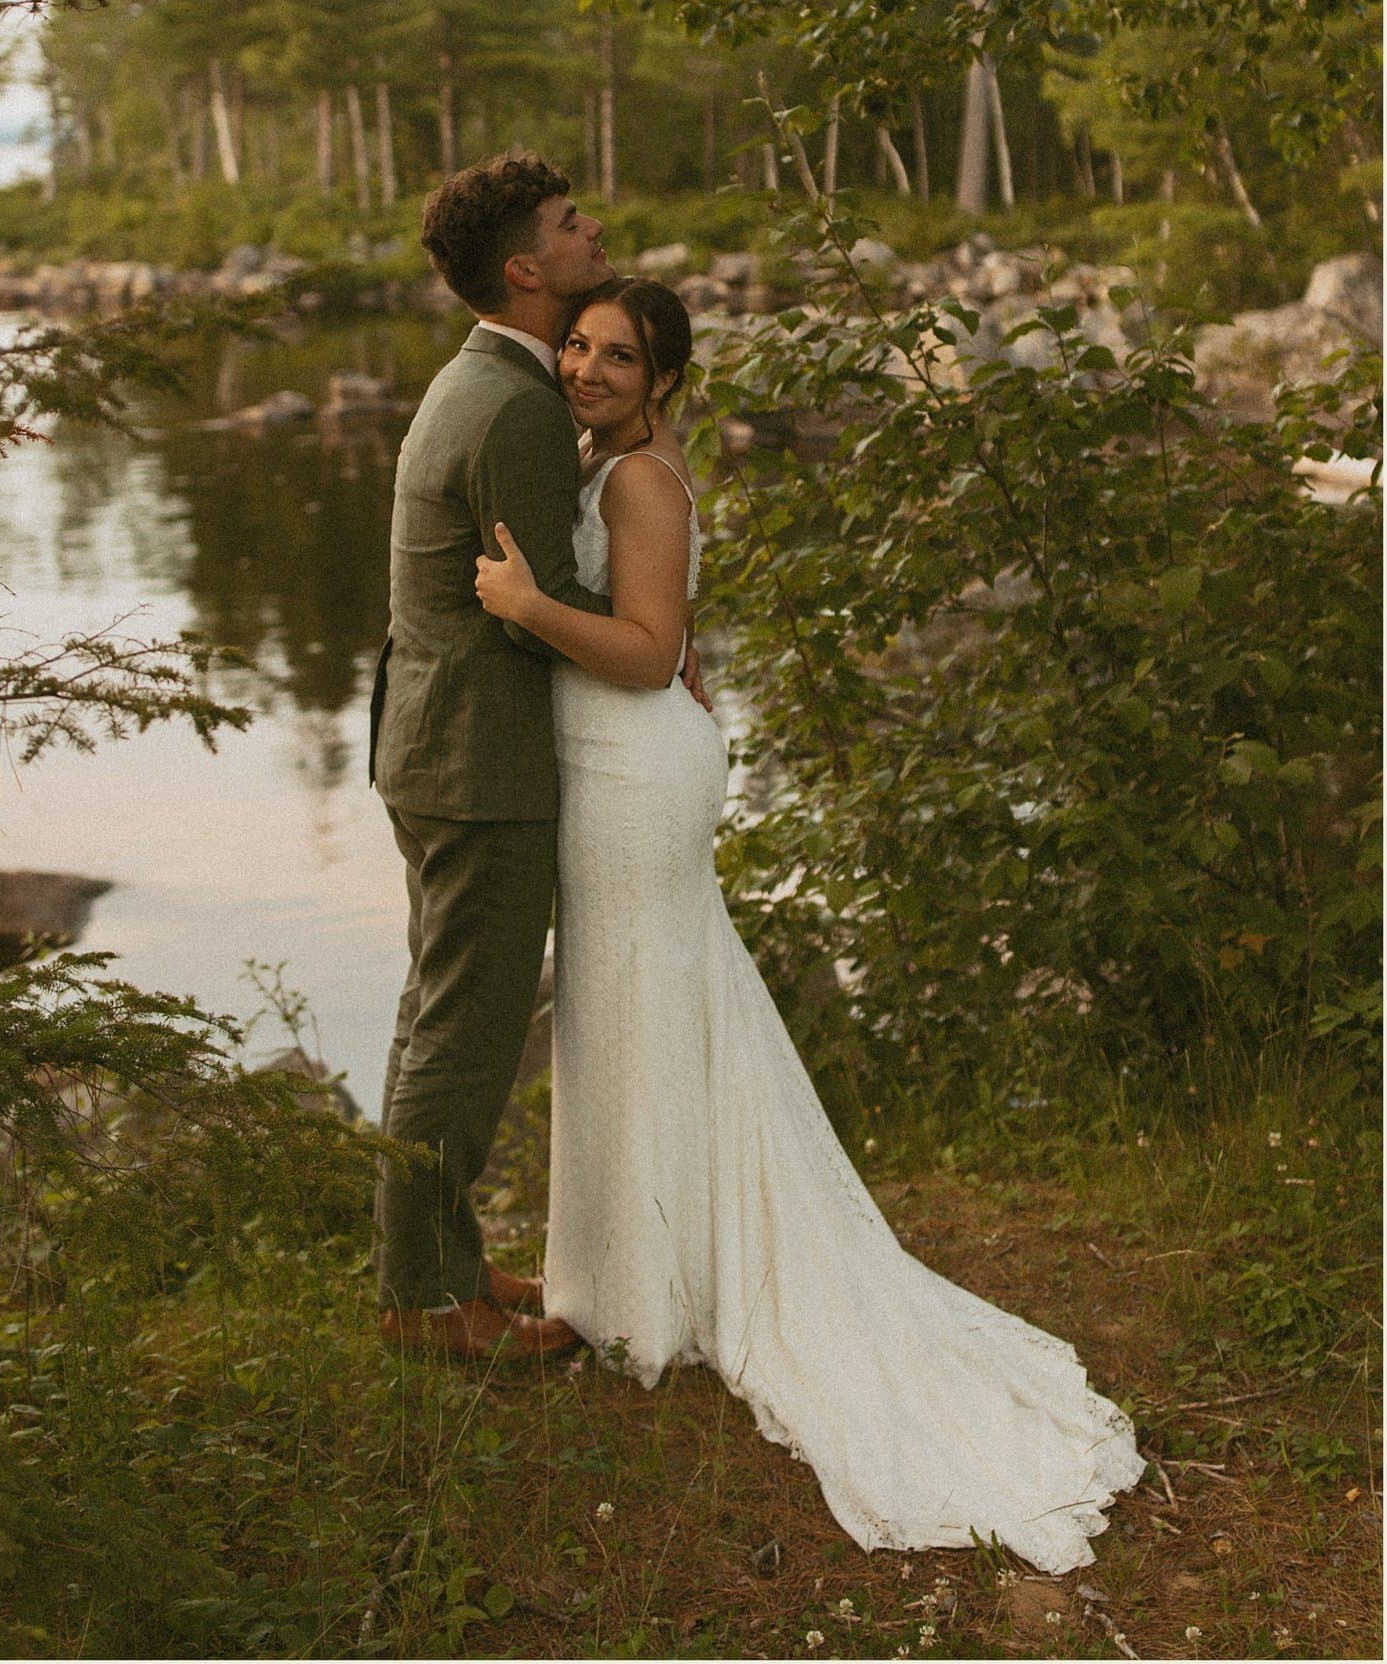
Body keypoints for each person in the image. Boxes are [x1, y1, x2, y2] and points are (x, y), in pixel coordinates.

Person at [474, 276, 1146, 1574]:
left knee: (635, 1003)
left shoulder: (640, 480)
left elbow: (645, 642)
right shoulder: (600, 463)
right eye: (577, 344)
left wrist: (528, 610)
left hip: (627, 776)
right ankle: (632, 1279)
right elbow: (682, 646)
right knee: (634, 1007)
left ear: (665, 382)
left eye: (621, 357)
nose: (590, 369)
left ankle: (645, 1292)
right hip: (624, 765)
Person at [369, 155, 704, 1362]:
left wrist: (662, 625)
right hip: (480, 761)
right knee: (465, 1027)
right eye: (571, 225)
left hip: (438, 744)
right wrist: (657, 640)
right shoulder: (514, 406)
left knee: (437, 1014)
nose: (592, 229)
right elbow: (543, 597)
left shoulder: (480, 382)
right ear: (526, 269)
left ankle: (437, 1262)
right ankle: (426, 1302)